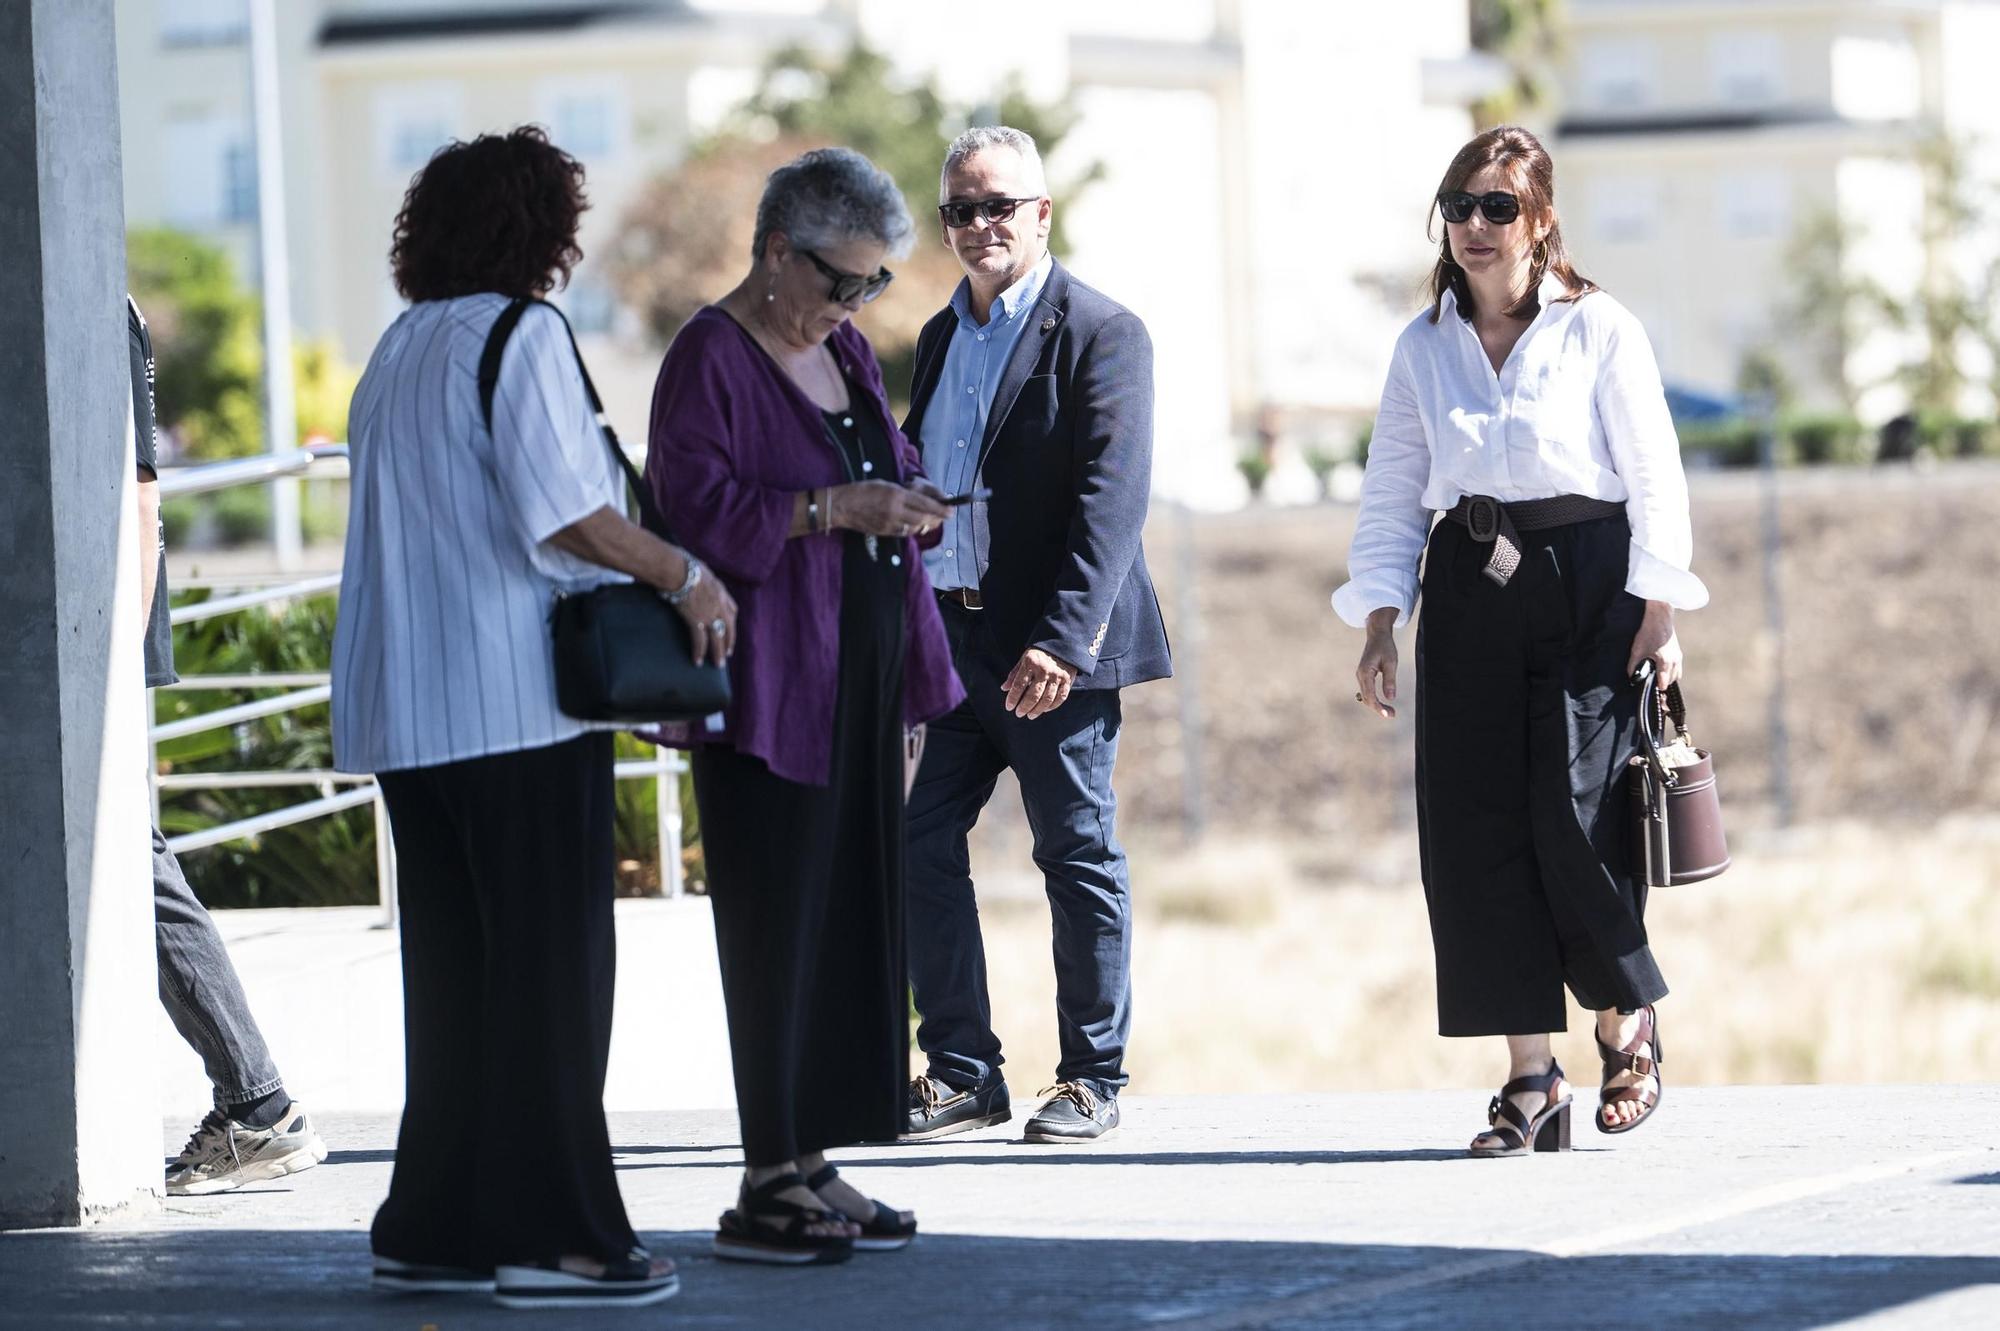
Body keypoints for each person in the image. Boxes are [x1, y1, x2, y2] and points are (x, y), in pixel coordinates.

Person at [331, 127, 727, 1308]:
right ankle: (559, 1239)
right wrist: (684, 575)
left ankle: (434, 1224)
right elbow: (566, 517)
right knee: (551, 980)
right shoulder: (523, 334)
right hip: (512, 705)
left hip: (407, 710)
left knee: (458, 981)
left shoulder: (398, 348)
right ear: (541, 232)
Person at [1336, 125, 1708, 1156]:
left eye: (1495, 206)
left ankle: (1623, 1022)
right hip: (1464, 588)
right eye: (1457, 206)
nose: (1471, 225)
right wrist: (1379, 618)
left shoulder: (1599, 328)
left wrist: (1658, 612)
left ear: (1540, 219)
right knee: (1472, 831)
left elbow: (1652, 475)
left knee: (1578, 815)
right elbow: (1389, 493)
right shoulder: (1422, 345)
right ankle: (1529, 1077)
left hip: (1587, 582)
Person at [643, 147, 964, 1265]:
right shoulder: (709, 357)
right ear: (777, 251)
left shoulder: (845, 352)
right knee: (777, 927)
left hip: (864, 677)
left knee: (849, 922)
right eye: (840, 280)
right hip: (773, 684)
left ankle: (815, 1151)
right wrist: (833, 507)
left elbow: (885, 474)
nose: (855, 303)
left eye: (872, 285)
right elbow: (693, 506)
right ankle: (765, 1172)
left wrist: (906, 510)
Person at [901, 126, 1172, 1145]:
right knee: (915, 839)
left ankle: (1092, 1075)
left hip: (1052, 652)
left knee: (1075, 852)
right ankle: (963, 1068)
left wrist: (1060, 640)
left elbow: (1112, 501)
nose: (978, 226)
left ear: (1040, 212)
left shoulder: (1102, 331)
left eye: (997, 206)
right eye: (959, 211)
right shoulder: (935, 336)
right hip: (951, 640)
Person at [131, 295, 329, 1196]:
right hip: (79, 645)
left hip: (85, 651)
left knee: (133, 866)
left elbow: (141, 493)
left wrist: (112, 659)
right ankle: (255, 1102)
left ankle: (256, 1103)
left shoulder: (90, 298)